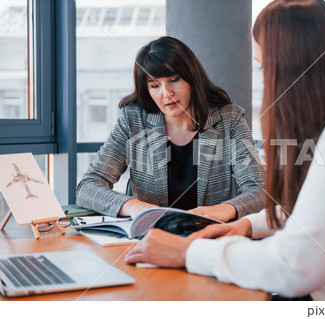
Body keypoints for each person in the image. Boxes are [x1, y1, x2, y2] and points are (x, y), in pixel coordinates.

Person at [124, 0, 325, 300]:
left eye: (264, 67)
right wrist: (250, 225)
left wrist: (187, 253)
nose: (266, 80)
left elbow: (295, 267)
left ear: (289, 68)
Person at [76, 36, 264, 222]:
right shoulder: (133, 121)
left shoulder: (228, 120)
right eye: (155, 85)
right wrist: (135, 207)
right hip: (149, 240)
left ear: (192, 79)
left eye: (174, 80)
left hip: (211, 240)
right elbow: (88, 187)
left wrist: (223, 210)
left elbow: (260, 190)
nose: (167, 93)